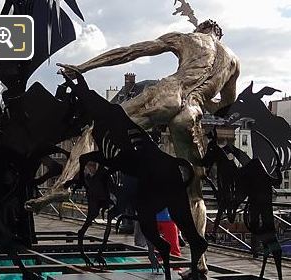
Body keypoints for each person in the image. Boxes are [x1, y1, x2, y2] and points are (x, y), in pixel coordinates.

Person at [59, 19, 240, 273]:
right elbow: (227, 101)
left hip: (169, 93)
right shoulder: (232, 61)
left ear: (200, 30)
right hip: (191, 111)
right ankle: (199, 264)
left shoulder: (187, 38)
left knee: (96, 129)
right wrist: (208, 103)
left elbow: (131, 51)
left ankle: (62, 186)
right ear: (220, 35)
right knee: (194, 192)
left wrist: (83, 67)